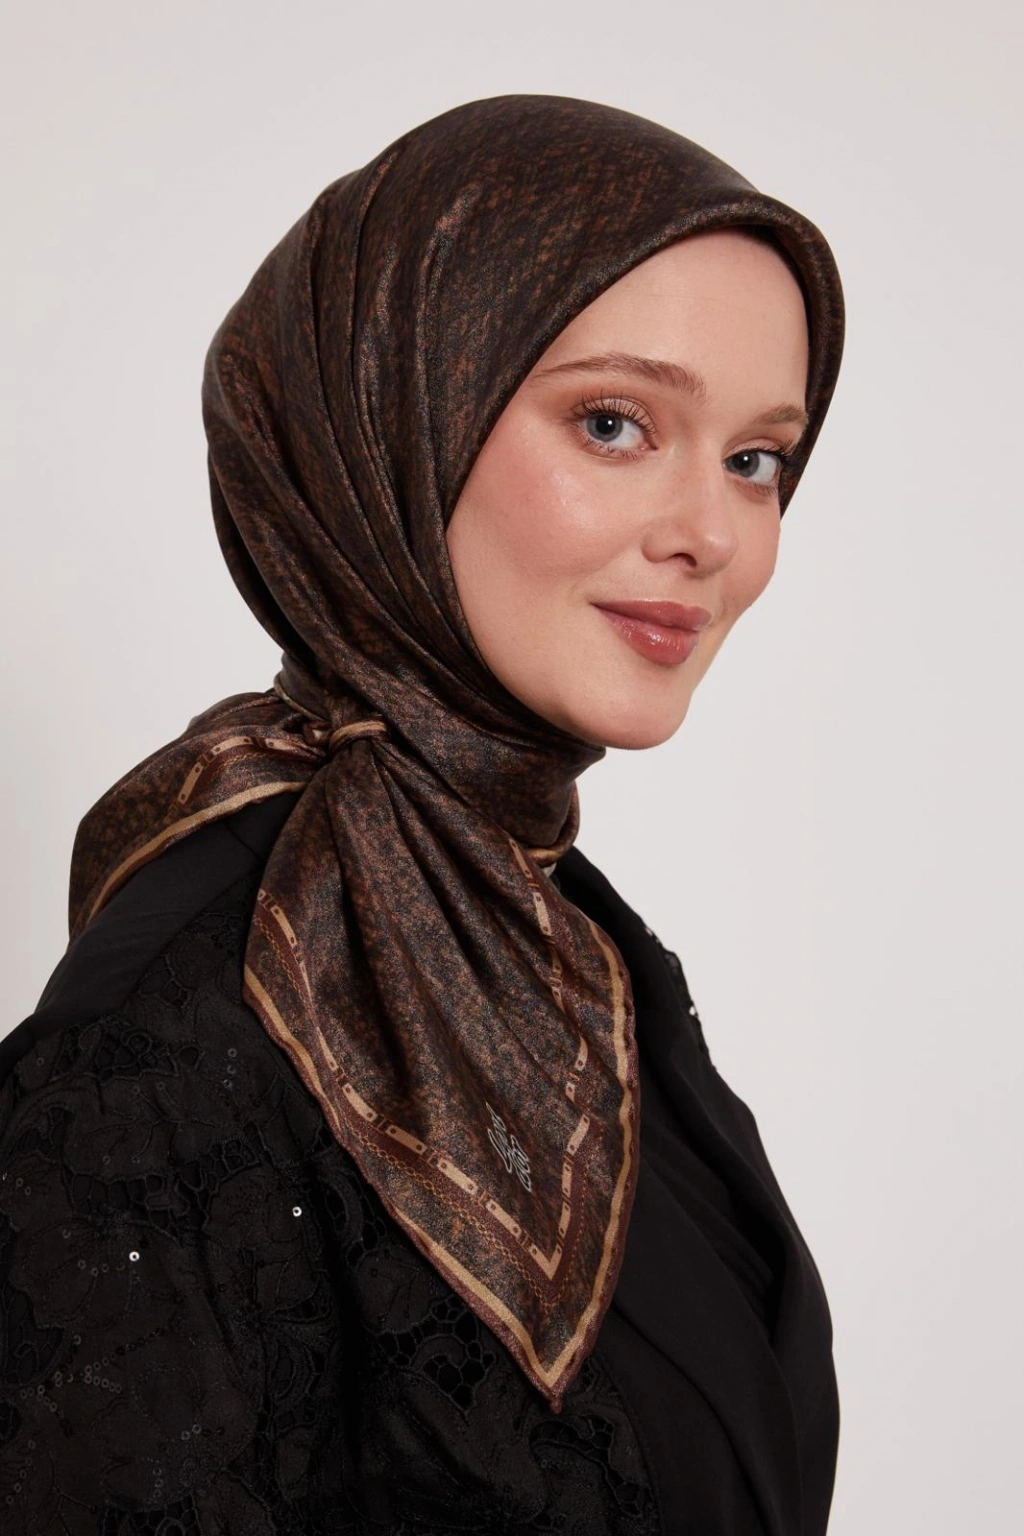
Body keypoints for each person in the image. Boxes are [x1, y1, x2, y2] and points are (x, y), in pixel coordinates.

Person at [0, 94, 844, 1535]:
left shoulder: (558, 936)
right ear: (391, 420)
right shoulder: (159, 1052)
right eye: (615, 423)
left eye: (756, 459)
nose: (713, 534)